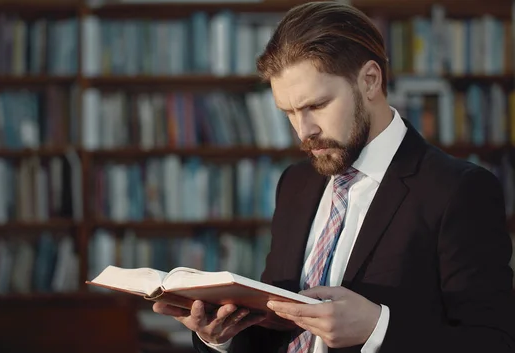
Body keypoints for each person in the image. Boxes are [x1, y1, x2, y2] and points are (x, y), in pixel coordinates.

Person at [152, 2, 515, 352]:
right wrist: (221, 337)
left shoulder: (460, 190)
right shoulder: (295, 183)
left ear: (370, 81)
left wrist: (378, 328)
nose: (303, 131)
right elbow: (277, 334)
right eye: (289, 112)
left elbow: (493, 343)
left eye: (316, 105)